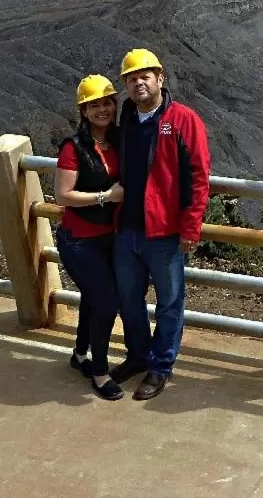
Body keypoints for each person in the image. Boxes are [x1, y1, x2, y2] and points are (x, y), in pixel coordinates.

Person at [108, 48, 211, 400]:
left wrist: (190, 228)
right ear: (125, 84)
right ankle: (138, 356)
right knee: (129, 298)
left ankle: (160, 367)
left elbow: (199, 175)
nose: (138, 82)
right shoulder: (125, 121)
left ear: (160, 78)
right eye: (131, 78)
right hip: (128, 229)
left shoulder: (182, 119)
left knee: (169, 302)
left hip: (165, 233)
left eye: (145, 76)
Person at [53, 74, 125, 401]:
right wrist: (105, 197)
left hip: (109, 238)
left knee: (95, 299)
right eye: (94, 104)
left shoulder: (119, 140)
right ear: (83, 111)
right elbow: (63, 196)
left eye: (107, 102)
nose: (102, 109)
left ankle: (79, 355)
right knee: (107, 302)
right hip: (79, 241)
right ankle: (99, 371)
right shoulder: (74, 147)